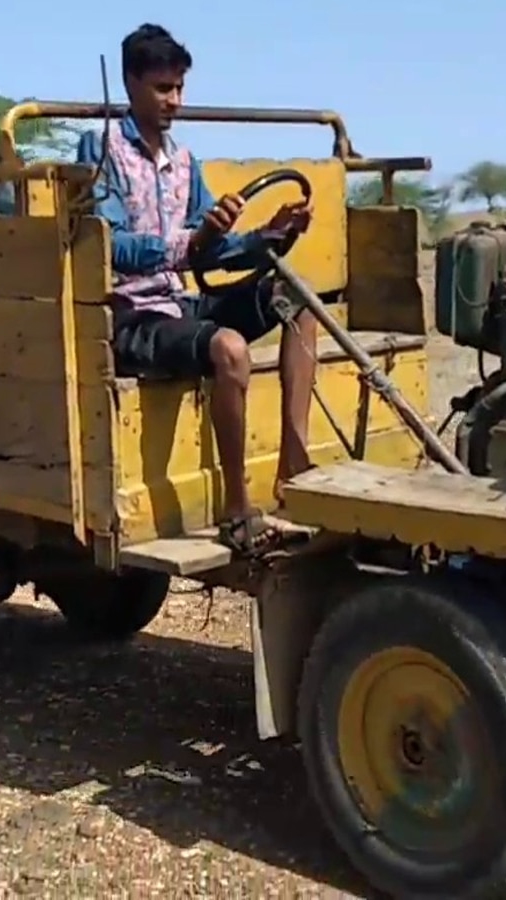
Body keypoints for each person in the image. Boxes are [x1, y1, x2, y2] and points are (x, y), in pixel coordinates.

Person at [77, 23, 319, 557]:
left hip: (178, 302)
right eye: (164, 88)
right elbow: (110, 244)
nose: (175, 101)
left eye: (180, 88)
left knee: (296, 300)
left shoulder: (185, 163)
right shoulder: (102, 150)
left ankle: (292, 467)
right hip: (131, 316)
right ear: (131, 83)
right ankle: (237, 511)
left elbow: (209, 250)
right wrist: (193, 241)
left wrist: (266, 236)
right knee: (228, 347)